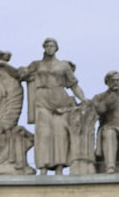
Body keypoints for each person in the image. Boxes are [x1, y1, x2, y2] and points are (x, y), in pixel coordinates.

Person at [21, 38, 86, 175]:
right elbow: (21, 75)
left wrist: (83, 99)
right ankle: (43, 168)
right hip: (42, 100)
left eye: (52, 46)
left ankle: (59, 167)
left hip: (60, 101)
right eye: (47, 45)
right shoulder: (37, 65)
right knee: (43, 133)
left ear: (56, 48)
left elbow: (74, 85)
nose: (50, 48)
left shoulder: (63, 66)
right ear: (43, 47)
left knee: (60, 134)